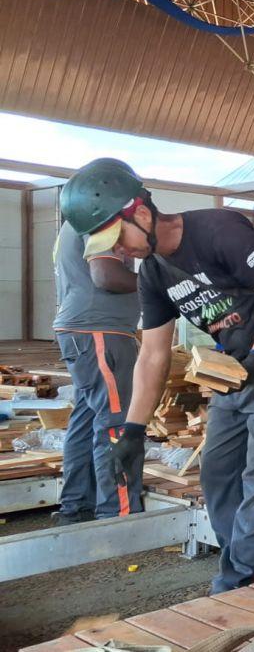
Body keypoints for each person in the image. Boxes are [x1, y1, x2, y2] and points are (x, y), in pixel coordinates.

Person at [59, 158, 254, 593]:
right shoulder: (154, 274)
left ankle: (242, 579)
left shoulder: (218, 230)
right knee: (217, 473)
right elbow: (153, 356)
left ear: (140, 213)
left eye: (116, 239)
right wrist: (133, 430)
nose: (118, 252)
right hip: (233, 372)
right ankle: (242, 565)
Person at [52, 161, 142, 523]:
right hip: (100, 331)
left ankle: (77, 505)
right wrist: (153, 286)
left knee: (87, 418)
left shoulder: (71, 223)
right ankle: (117, 513)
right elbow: (105, 275)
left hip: (80, 330)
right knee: (117, 422)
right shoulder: (99, 215)